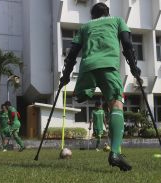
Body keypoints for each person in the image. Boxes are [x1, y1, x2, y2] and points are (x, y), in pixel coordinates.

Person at [59, 2, 141, 171]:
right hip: (108, 66)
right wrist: (133, 67)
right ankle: (116, 152)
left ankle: (84, 93)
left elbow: (72, 52)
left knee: (83, 95)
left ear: (92, 15)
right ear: (107, 13)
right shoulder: (118, 20)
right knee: (116, 105)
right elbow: (127, 43)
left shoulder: (85, 26)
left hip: (87, 69)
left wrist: (66, 76)